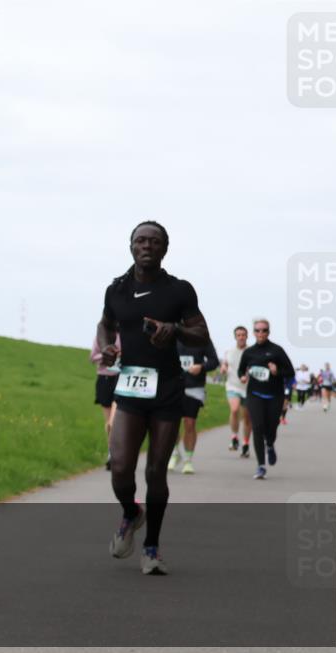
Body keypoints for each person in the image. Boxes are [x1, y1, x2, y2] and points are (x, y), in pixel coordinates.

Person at [98, 221, 210, 575]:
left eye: (155, 241)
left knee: (156, 472)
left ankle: (151, 548)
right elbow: (106, 324)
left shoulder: (179, 290)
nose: (147, 245)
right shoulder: (116, 290)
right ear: (131, 246)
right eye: (140, 240)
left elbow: (201, 334)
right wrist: (107, 348)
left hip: (167, 391)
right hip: (130, 388)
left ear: (165, 249)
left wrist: (174, 329)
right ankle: (132, 513)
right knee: (120, 469)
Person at [236, 319, 295, 480]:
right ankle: (261, 465)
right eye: (257, 330)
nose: (260, 333)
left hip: (275, 395)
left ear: (269, 332)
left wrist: (277, 372)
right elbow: (241, 369)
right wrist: (242, 376)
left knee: (271, 428)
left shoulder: (277, 351)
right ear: (253, 332)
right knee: (258, 427)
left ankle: (270, 444)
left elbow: (290, 371)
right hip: (254, 394)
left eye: (264, 330)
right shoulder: (249, 352)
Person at [168, 338, 219, 474]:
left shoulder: (202, 338)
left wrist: (201, 367)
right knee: (171, 424)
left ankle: (188, 461)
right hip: (173, 386)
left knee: (189, 423)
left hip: (194, 387)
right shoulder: (171, 335)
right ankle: (174, 453)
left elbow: (214, 361)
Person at [91, 333, 121, 471]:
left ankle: (114, 453)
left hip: (120, 378)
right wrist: (107, 356)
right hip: (104, 379)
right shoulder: (100, 337)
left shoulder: (123, 335)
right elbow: (93, 357)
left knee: (113, 422)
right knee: (108, 423)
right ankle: (111, 452)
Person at [221, 326, 252, 457]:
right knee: (234, 410)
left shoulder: (252, 351)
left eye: (243, 335)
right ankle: (234, 438)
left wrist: (248, 376)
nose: (241, 337)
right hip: (233, 386)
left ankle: (245, 444)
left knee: (247, 418)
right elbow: (224, 364)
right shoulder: (229, 351)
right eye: (238, 335)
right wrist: (223, 367)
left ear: (247, 336)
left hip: (249, 388)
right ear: (235, 337)